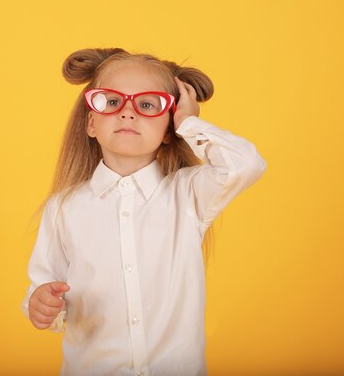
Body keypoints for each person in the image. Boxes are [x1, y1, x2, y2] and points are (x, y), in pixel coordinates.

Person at [21, 48, 267, 376]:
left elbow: (246, 164)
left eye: (147, 104)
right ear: (91, 122)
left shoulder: (188, 195)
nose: (127, 113)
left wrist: (191, 124)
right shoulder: (64, 209)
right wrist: (41, 304)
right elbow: (43, 285)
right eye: (111, 102)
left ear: (169, 130)